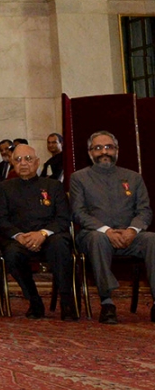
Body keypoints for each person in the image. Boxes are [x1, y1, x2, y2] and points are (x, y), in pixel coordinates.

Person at [69, 130, 155, 324]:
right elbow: (78, 212)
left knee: (153, 240)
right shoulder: (79, 178)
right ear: (90, 152)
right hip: (94, 235)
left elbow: (144, 211)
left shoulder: (133, 178)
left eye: (108, 147)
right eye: (98, 148)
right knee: (98, 239)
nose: (103, 152)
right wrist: (106, 230)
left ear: (117, 150)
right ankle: (107, 302)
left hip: (129, 235)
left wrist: (133, 230)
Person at [0, 143, 77, 321]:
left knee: (61, 246)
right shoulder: (4, 188)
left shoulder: (53, 186)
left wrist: (43, 234)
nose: (23, 163)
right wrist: (19, 236)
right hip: (19, 238)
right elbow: (1, 220)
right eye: (17, 160)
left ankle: (66, 300)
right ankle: (34, 299)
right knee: (12, 253)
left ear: (37, 162)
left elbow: (63, 218)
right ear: (12, 164)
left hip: (50, 236)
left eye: (28, 159)